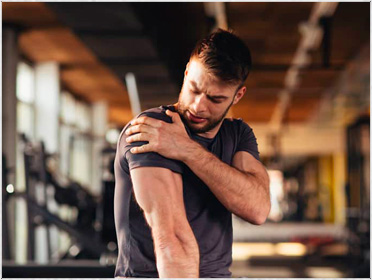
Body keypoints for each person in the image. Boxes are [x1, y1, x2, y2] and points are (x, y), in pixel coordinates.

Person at [114, 29, 271, 278]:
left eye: (215, 99)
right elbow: (171, 239)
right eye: (194, 89)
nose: (199, 105)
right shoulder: (153, 128)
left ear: (237, 95)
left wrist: (187, 150)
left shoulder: (237, 134)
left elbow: (258, 208)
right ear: (186, 72)